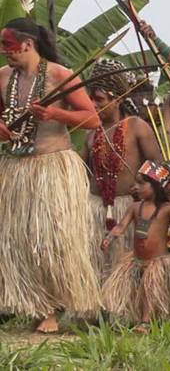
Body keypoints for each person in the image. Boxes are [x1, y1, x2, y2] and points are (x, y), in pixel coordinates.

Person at [0, 18, 101, 332]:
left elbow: (93, 119)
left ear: (28, 44)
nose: (4, 51)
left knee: (51, 240)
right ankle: (33, 303)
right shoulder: (3, 77)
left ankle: (53, 310)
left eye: (8, 45)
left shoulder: (60, 75)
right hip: (15, 168)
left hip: (53, 167)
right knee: (20, 240)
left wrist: (55, 113)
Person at [83, 58, 162, 279]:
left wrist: (146, 194)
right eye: (92, 99)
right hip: (95, 208)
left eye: (99, 99)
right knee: (97, 265)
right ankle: (98, 310)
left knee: (126, 267)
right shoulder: (91, 133)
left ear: (116, 100)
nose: (94, 104)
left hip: (128, 208)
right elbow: (81, 170)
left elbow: (158, 164)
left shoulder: (137, 126)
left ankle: (125, 309)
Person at [100, 161, 170, 333]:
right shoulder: (134, 207)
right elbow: (121, 226)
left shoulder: (167, 208)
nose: (135, 186)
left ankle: (145, 321)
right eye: (135, 182)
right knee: (139, 291)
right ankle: (136, 317)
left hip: (157, 262)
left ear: (156, 186)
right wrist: (110, 237)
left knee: (151, 289)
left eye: (141, 183)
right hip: (136, 260)